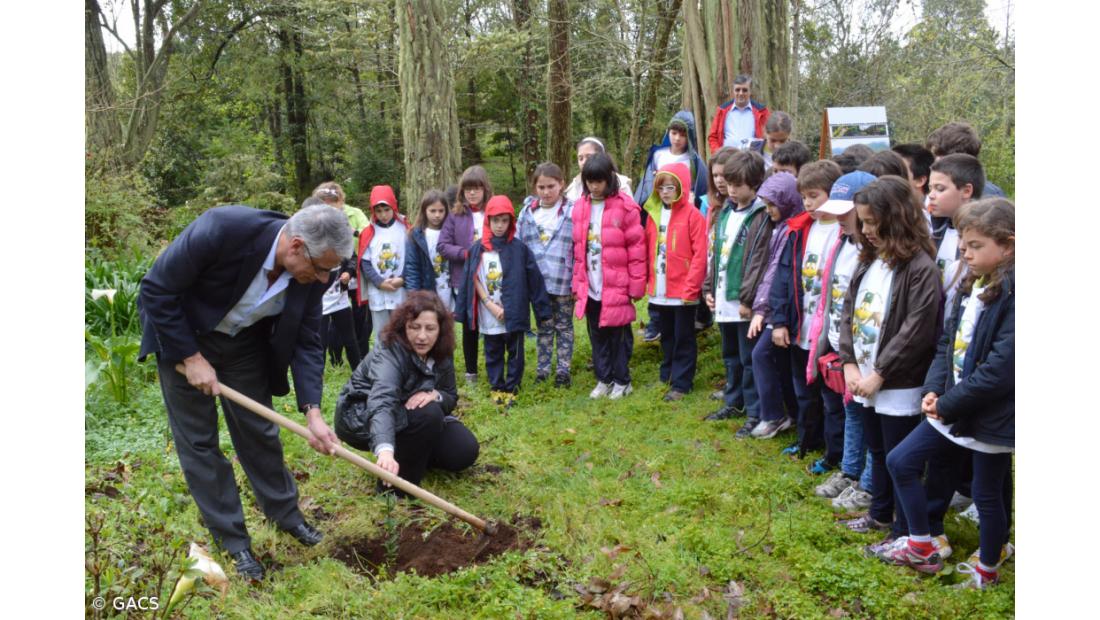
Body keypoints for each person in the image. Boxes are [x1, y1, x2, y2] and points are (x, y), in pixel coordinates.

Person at [138, 203, 353, 581]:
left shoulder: (314, 273)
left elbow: (307, 340)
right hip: (183, 337)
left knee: (259, 431)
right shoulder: (223, 229)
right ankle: (234, 542)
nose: (324, 280)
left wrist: (313, 411)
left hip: (243, 344)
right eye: (321, 269)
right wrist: (190, 357)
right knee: (199, 443)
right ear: (296, 246)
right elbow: (156, 290)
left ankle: (287, 516)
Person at [875, 198, 1014, 577]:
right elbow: (946, 342)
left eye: (975, 246)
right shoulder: (972, 281)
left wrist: (949, 403)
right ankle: (921, 543)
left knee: (987, 494)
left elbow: (1002, 370)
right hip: (951, 405)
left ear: (1009, 245)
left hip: (990, 415)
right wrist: (933, 391)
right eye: (963, 245)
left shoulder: (1016, 294)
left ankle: (987, 566)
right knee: (900, 461)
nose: (965, 253)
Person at [837, 177, 941, 553]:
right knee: (877, 450)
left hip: (896, 383)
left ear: (894, 218)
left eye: (870, 222)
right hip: (863, 378)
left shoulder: (919, 267)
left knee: (898, 457)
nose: (864, 230)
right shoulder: (869, 261)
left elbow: (917, 329)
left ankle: (902, 529)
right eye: (861, 223)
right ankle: (879, 512)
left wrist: (880, 373)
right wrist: (849, 363)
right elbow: (847, 312)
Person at [334, 290, 480, 495]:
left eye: (430, 328)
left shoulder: (441, 351)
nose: (422, 336)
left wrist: (436, 395)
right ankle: (396, 487)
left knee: (463, 451)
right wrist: (385, 450)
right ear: (404, 327)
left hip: (410, 415)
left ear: (441, 330)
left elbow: (449, 394)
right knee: (429, 414)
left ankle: (414, 453)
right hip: (361, 415)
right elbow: (382, 401)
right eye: (414, 327)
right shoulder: (389, 352)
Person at [767, 163, 847, 458]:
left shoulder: (843, 231)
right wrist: (779, 321)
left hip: (828, 333)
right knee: (803, 392)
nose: (809, 203)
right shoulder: (798, 229)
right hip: (799, 327)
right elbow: (783, 279)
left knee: (831, 398)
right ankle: (807, 440)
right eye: (804, 197)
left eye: (815, 195)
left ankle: (835, 453)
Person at [800, 172, 877, 476]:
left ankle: (863, 480)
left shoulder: (872, 253)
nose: (839, 218)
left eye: (846, 211)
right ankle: (847, 468)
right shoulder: (842, 243)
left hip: (863, 352)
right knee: (843, 409)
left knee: (862, 416)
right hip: (836, 343)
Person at [703, 150, 774, 438]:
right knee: (730, 355)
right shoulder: (726, 212)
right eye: (728, 183)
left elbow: (758, 260)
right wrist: (709, 288)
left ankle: (755, 411)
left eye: (737, 184)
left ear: (755, 184)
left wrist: (748, 299)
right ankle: (734, 402)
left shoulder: (760, 216)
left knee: (748, 359)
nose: (730, 189)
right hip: (722, 297)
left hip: (744, 303)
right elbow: (716, 254)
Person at [456, 196, 552, 406]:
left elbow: (534, 279)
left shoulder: (519, 249)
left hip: (514, 310)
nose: (499, 226)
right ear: (487, 221)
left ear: (511, 222)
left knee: (515, 351)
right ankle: (497, 386)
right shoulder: (477, 249)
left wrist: (542, 310)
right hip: (488, 313)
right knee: (493, 350)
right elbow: (470, 279)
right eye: (495, 220)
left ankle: (512, 387)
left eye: (504, 221)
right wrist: (486, 305)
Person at [572, 152, 647, 400]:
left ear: (609, 179)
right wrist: (577, 283)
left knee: (618, 336)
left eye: (599, 181)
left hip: (616, 285)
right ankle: (603, 379)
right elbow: (577, 250)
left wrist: (636, 287)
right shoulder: (580, 207)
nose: (594, 186)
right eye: (590, 181)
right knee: (597, 335)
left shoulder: (625, 207)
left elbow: (637, 250)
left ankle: (622, 380)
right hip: (591, 285)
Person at [641, 163, 707, 401]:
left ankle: (682, 382)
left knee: (684, 337)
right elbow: (649, 249)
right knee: (666, 334)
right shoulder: (653, 215)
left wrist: (691, 288)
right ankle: (666, 374)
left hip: (683, 293)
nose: (666, 192)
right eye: (661, 187)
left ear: (682, 187)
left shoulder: (694, 216)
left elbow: (700, 255)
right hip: (660, 290)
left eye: (671, 187)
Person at [745, 171, 804, 439]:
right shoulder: (780, 228)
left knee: (761, 354)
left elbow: (777, 276)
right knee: (775, 360)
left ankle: (774, 415)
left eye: (773, 205)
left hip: (783, 310)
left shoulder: (794, 229)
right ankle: (787, 414)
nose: (769, 211)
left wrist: (762, 310)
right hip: (774, 308)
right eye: (766, 205)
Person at [517, 162, 576, 387]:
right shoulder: (528, 213)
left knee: (563, 326)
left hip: (563, 279)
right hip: (537, 283)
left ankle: (563, 370)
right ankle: (542, 370)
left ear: (561, 184)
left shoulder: (572, 210)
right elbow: (521, 247)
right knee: (544, 325)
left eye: (551, 186)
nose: (546, 192)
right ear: (534, 188)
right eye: (541, 187)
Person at [439, 166, 494, 384]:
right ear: (462, 191)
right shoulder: (456, 216)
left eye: (476, 189)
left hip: (491, 277)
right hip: (464, 278)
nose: (472, 193)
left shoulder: (493, 211)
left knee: (491, 325)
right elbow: (443, 246)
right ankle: (471, 371)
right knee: (470, 326)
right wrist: (465, 254)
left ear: (485, 189)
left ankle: (494, 367)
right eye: (468, 189)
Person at [314, 181, 372, 356]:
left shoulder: (354, 213)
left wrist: (352, 231)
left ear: (341, 201)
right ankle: (335, 355)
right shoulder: (315, 219)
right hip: (330, 274)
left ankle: (360, 353)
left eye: (334, 205)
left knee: (358, 314)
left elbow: (368, 233)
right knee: (333, 317)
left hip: (355, 268)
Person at [929, 154, 986, 312]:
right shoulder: (937, 232)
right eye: (930, 188)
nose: (931, 195)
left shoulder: (986, 239)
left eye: (940, 189)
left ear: (966, 191)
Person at [357, 185, 409, 343]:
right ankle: (383, 366)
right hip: (378, 291)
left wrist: (402, 278)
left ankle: (403, 366)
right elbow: (365, 263)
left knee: (402, 332)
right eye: (378, 211)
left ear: (393, 206)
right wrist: (379, 282)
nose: (383, 215)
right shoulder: (369, 232)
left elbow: (412, 258)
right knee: (382, 335)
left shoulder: (405, 228)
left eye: (386, 210)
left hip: (400, 289)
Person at [633, 111, 710, 209]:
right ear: (668, 132)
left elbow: (702, 190)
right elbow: (647, 186)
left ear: (689, 137)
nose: (677, 138)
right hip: (659, 208)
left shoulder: (694, 162)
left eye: (682, 135)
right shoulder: (658, 155)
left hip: (682, 210)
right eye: (674, 133)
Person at [404, 189, 454, 313]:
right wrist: (414, 298)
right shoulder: (416, 235)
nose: (437, 215)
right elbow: (412, 269)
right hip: (427, 292)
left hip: (448, 291)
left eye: (441, 211)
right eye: (433, 211)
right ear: (424, 211)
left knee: (447, 329)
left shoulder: (452, 232)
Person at [925, 121, 1005, 198]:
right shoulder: (929, 190)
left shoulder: (990, 196)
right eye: (933, 156)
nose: (933, 163)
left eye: (938, 157)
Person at [707, 74, 771, 152]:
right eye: (737, 90)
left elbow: (769, 136)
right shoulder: (722, 111)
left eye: (744, 90)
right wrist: (718, 153)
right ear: (733, 91)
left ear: (750, 91)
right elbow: (713, 137)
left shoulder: (762, 112)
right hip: (727, 159)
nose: (741, 93)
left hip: (752, 160)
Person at [564, 137, 634, 203]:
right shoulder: (575, 186)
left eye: (589, 156)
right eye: (580, 158)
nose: (584, 162)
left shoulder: (621, 185)